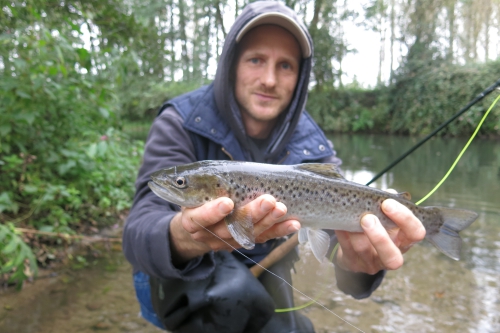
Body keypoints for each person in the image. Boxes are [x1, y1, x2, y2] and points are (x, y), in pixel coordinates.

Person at [123, 1, 426, 332]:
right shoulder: (181, 121)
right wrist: (182, 238)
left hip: (263, 272)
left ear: (299, 77)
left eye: (285, 66)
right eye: (256, 60)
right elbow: (139, 231)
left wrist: (359, 265)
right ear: (232, 64)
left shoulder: (315, 146)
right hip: (183, 278)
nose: (269, 79)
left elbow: (344, 266)